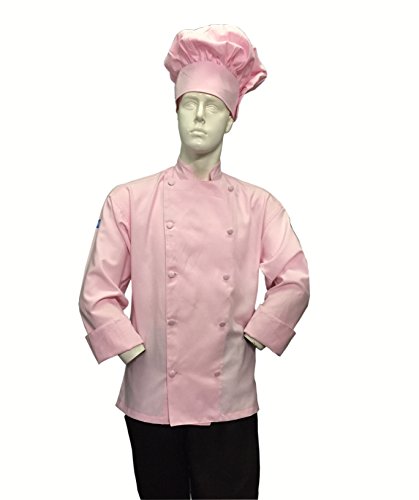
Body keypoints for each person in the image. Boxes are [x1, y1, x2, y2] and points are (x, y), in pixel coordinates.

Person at [78, 24, 310, 500]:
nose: (199, 117)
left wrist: (259, 331)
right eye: (190, 105)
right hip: (151, 397)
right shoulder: (129, 200)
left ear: (231, 120)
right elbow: (97, 290)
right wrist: (129, 348)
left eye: (213, 107)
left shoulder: (259, 206)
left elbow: (294, 279)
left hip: (229, 399)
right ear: (176, 111)